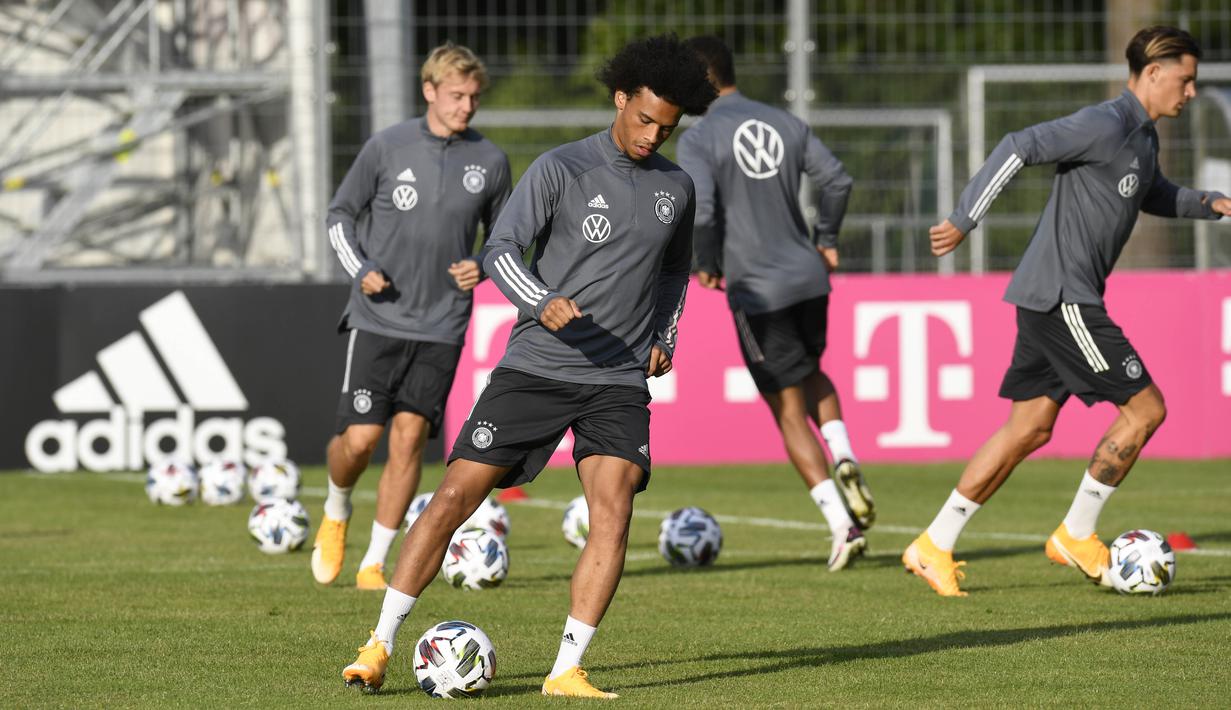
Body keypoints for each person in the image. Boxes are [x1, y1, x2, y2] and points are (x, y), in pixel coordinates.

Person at [340, 35, 716, 697]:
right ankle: (379, 643)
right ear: (620, 99)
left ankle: (566, 668)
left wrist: (666, 332)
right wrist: (539, 301)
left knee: (615, 508)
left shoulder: (676, 188)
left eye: (668, 126)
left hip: (617, 379)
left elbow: (674, 270)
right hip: (537, 369)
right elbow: (503, 250)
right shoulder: (561, 168)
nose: (654, 134)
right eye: (644, 119)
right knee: (454, 498)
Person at [904, 26, 1231, 597]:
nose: (1192, 92)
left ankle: (933, 544)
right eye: (1186, 79)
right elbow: (1017, 145)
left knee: (1027, 429)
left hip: (1049, 297)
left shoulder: (1143, 139)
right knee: (1145, 411)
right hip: (1063, 298)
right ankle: (1076, 533)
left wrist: (1212, 204)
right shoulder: (1105, 122)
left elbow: (1151, 193)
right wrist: (965, 218)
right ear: (1153, 73)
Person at [313, 43, 511, 591]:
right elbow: (339, 216)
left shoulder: (490, 161)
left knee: (408, 439)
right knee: (359, 441)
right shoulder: (386, 146)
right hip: (379, 316)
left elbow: (504, 240)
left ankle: (374, 562)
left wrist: (482, 266)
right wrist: (361, 269)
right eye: (456, 96)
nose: (466, 106)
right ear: (429, 91)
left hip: (443, 323)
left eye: (473, 97)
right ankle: (336, 509)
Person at [677, 35, 872, 572]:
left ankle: (841, 525)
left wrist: (707, 263)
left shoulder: (700, 138)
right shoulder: (783, 122)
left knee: (786, 410)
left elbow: (706, 211)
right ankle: (846, 456)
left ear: (701, 81)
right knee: (813, 373)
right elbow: (837, 179)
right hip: (809, 277)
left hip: (759, 289)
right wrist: (827, 238)